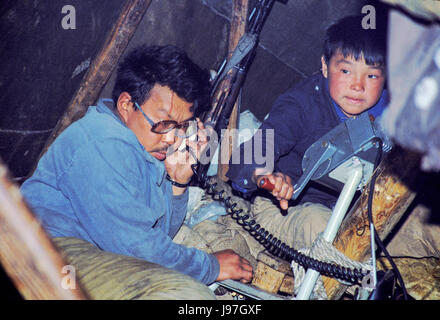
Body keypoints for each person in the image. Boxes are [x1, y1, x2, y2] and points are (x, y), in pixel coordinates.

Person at [20, 45, 252, 299]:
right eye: (164, 123)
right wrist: (211, 266)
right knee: (185, 295)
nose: (173, 137)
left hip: (93, 253)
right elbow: (139, 249)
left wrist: (177, 182)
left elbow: (160, 234)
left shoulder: (145, 151)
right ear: (127, 104)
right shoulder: (102, 142)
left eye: (182, 126)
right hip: (47, 249)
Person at [226, 14, 389, 251]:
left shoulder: (391, 115)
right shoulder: (302, 104)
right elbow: (258, 147)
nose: (358, 85)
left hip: (358, 215)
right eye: (345, 71)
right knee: (328, 232)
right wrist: (263, 174)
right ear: (325, 66)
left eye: (372, 75)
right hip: (287, 210)